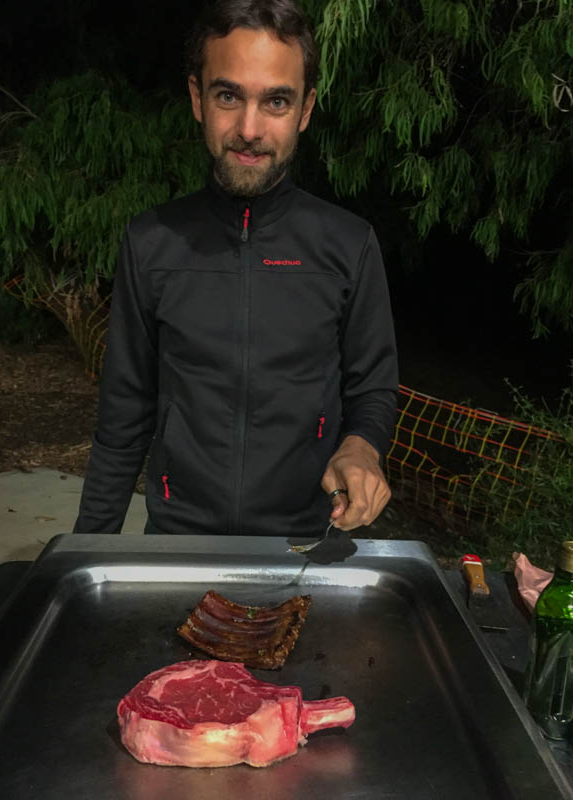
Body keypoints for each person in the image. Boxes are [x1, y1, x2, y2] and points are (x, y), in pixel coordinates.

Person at [74, 0, 398, 537]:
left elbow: (373, 389)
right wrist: (84, 558)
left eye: (275, 101)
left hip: (307, 546)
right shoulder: (150, 242)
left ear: (306, 109)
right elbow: (123, 419)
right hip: (178, 543)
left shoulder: (349, 244)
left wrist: (361, 447)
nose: (249, 129)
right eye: (229, 95)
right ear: (198, 98)